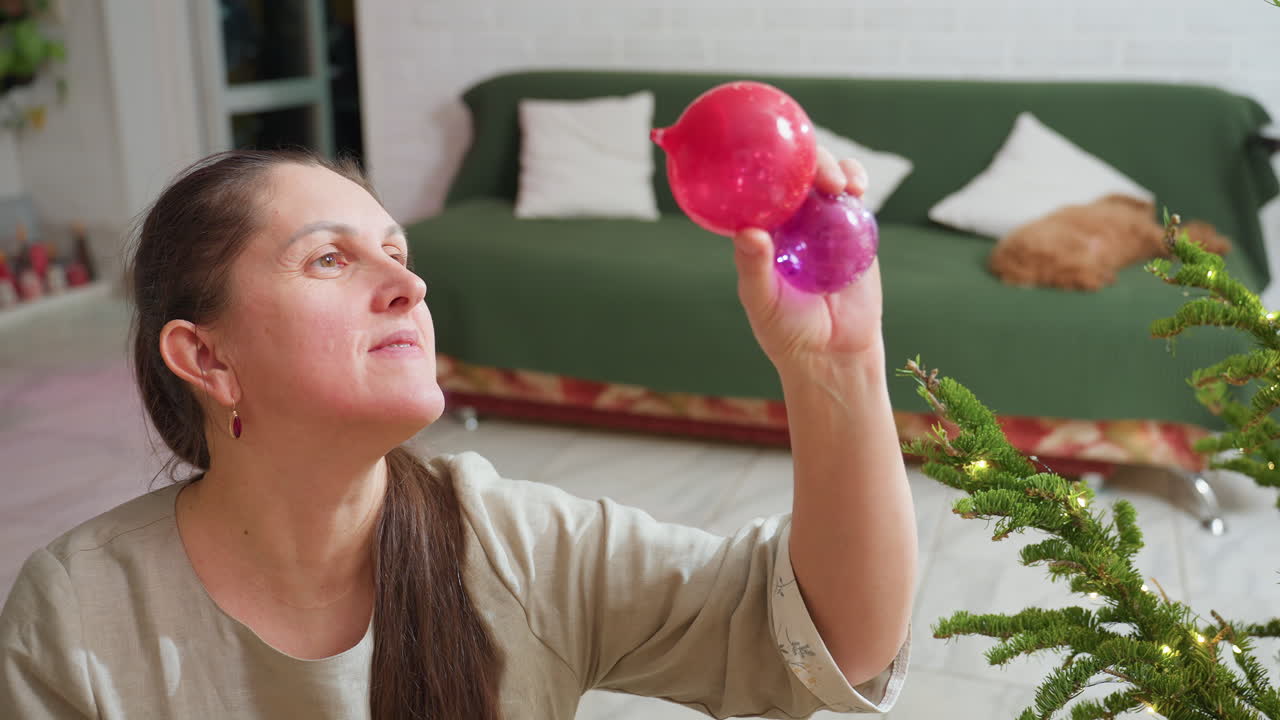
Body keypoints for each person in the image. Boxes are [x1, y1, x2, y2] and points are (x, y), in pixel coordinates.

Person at [0, 146, 916, 718]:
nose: (412, 286)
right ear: (206, 358)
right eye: (330, 258)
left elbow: (834, 639)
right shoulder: (80, 613)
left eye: (398, 253)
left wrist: (839, 368)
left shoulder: (516, 547)